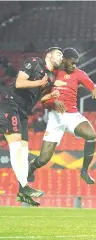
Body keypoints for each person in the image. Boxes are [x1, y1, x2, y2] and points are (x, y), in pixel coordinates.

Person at [28, 48, 96, 185]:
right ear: (64, 60)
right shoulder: (51, 74)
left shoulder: (79, 74)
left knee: (91, 135)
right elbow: (42, 99)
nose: (74, 66)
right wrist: (53, 101)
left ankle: (84, 171)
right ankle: (30, 169)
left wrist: (95, 88)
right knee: (44, 159)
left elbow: (91, 84)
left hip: (72, 115)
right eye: (72, 63)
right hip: (55, 118)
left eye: (76, 63)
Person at [0, 47, 63, 206]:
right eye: (58, 53)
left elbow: (40, 99)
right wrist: (39, 82)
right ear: (48, 55)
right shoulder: (34, 63)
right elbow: (19, 82)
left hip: (23, 112)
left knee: (23, 149)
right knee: (16, 147)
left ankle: (22, 193)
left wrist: (51, 96)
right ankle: (25, 187)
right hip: (10, 105)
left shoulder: (50, 77)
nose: (61, 56)